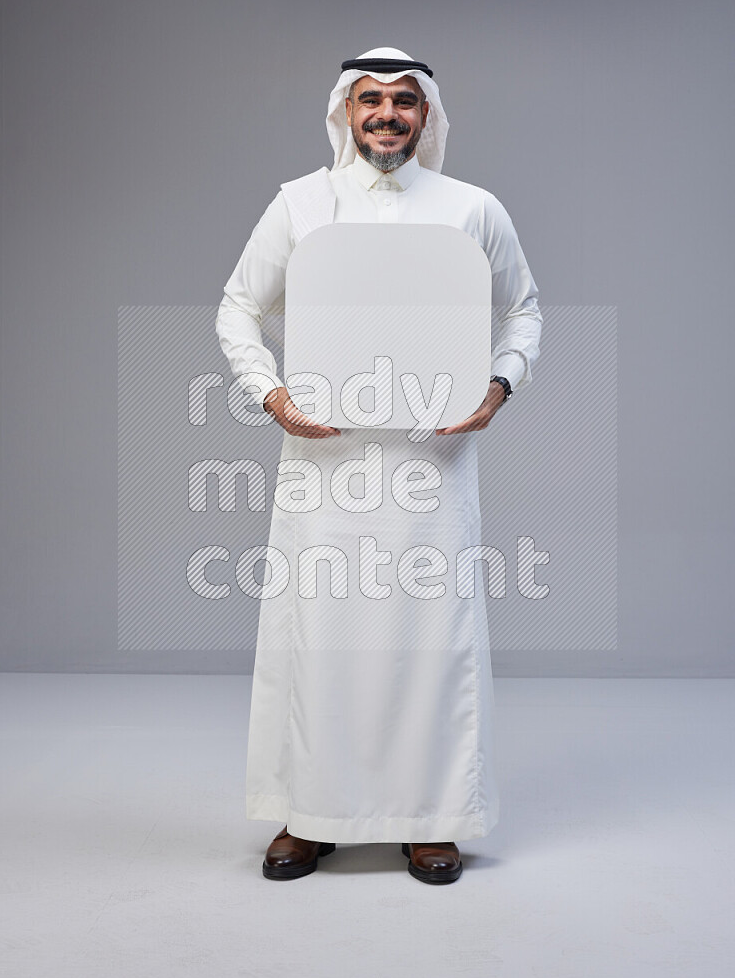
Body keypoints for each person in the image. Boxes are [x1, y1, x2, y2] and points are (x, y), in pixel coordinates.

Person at [216, 47, 542, 884]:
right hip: (324, 467)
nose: (387, 114)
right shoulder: (299, 204)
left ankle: (432, 817)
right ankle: (311, 814)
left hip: (432, 466)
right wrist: (274, 396)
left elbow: (525, 309)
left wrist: (499, 386)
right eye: (371, 99)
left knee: (429, 639)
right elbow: (238, 309)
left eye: (404, 100)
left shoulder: (473, 208)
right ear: (344, 111)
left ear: (427, 114)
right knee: (319, 635)